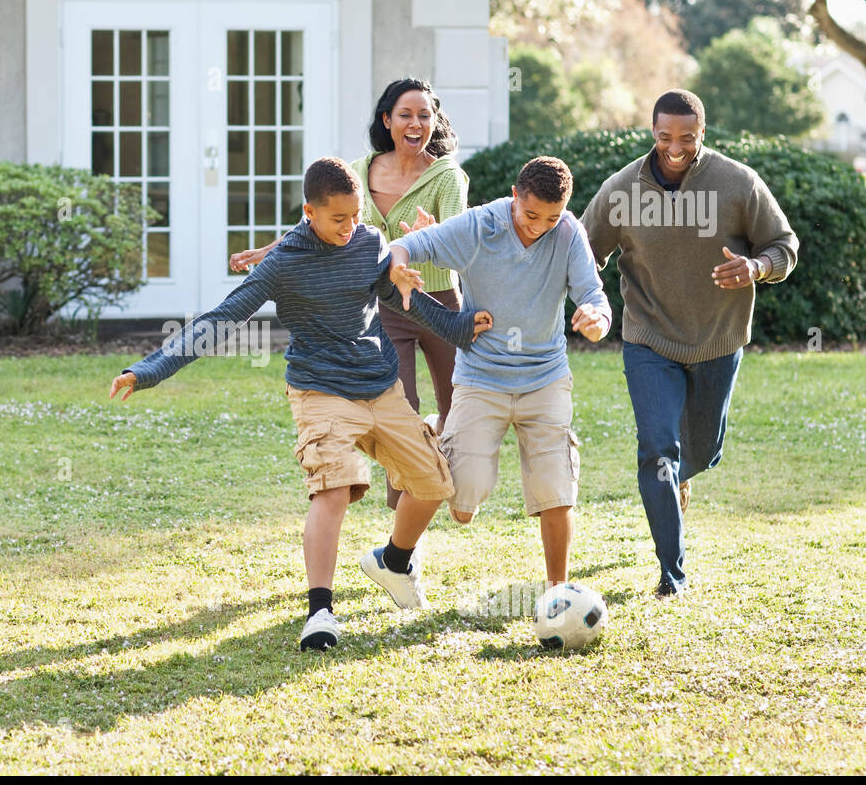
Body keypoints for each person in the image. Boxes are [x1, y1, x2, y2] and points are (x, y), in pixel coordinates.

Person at [110, 157, 493, 651]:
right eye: (339, 218)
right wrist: (149, 370)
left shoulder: (368, 243)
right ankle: (320, 613)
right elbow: (223, 317)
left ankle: (394, 561)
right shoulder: (283, 264)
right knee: (333, 489)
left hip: (379, 384)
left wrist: (460, 327)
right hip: (320, 390)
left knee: (434, 484)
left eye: (356, 216)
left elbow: (401, 300)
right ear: (309, 212)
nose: (351, 227)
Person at [581, 89, 799, 599]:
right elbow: (582, 250)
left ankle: (684, 474)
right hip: (648, 338)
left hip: (718, 339)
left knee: (700, 450)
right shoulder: (622, 190)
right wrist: (587, 297)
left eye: (686, 138)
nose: (674, 148)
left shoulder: (738, 182)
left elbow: (783, 244)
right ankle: (671, 572)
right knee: (658, 448)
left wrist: (756, 267)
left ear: (702, 132)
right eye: (664, 137)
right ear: (652, 133)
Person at [230, 79, 468, 510]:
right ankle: (404, 509)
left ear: (435, 122)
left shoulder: (447, 175)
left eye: (424, 115)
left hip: (436, 301)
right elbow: (323, 222)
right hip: (390, 305)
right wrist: (271, 251)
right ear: (387, 120)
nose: (415, 124)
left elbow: (459, 238)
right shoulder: (359, 170)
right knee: (404, 405)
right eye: (405, 115)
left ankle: (456, 493)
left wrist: (426, 239)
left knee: (458, 404)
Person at [389, 157, 612, 589]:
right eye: (530, 215)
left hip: (545, 377)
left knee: (555, 486)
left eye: (551, 217)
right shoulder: (479, 227)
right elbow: (407, 248)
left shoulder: (567, 233)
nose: (539, 227)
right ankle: (443, 432)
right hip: (481, 377)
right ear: (514, 195)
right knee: (463, 507)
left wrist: (596, 320)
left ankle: (558, 593)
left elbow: (594, 295)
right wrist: (398, 265)